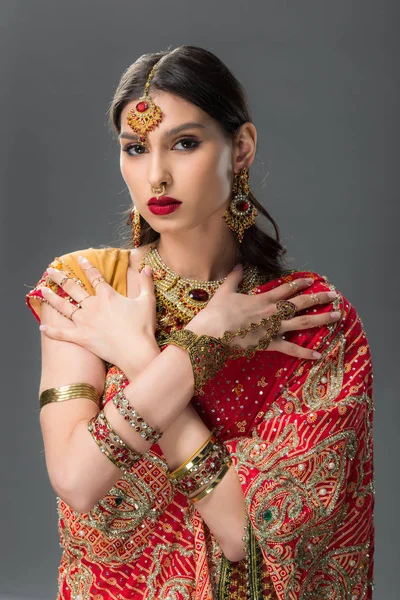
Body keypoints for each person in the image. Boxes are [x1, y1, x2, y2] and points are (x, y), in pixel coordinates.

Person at [25, 45, 374, 600]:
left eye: (184, 143)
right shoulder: (87, 288)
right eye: (135, 149)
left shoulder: (307, 316)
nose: (156, 175)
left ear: (241, 148)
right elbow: (77, 479)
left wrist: (143, 357)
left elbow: (246, 536)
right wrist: (201, 344)